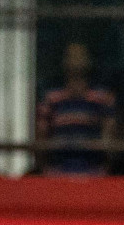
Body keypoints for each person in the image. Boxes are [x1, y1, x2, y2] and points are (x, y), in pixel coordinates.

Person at [35, 43, 117, 175]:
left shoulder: (103, 97)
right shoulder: (51, 98)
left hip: (94, 171)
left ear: (89, 61)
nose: (76, 61)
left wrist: (104, 168)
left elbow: (110, 138)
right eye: (72, 57)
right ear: (64, 62)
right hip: (57, 171)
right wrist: (46, 170)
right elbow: (41, 135)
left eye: (80, 56)